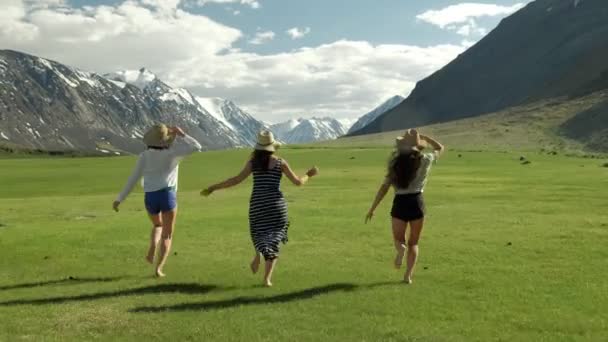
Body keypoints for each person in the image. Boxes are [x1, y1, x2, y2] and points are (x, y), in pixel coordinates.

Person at [201, 130, 318, 287]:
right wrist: (308, 175)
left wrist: (213, 187)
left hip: (258, 206)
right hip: (277, 206)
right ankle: (266, 278)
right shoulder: (280, 163)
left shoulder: (253, 163)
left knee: (258, 234)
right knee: (274, 240)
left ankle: (258, 255)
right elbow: (298, 182)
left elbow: (235, 180)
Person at [113, 124, 202, 277]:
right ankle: (158, 268)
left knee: (157, 225)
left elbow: (133, 179)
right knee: (167, 235)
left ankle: (153, 245)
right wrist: (182, 134)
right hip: (167, 195)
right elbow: (196, 147)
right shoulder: (173, 154)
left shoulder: (144, 156)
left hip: (150, 197)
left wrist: (119, 199)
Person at [365, 129, 444, 284]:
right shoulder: (426, 160)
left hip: (399, 203)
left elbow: (384, 188)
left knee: (398, 239)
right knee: (414, 243)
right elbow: (440, 148)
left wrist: (372, 208)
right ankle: (407, 276)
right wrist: (425, 138)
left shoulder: (394, 164)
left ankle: (400, 249)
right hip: (417, 202)